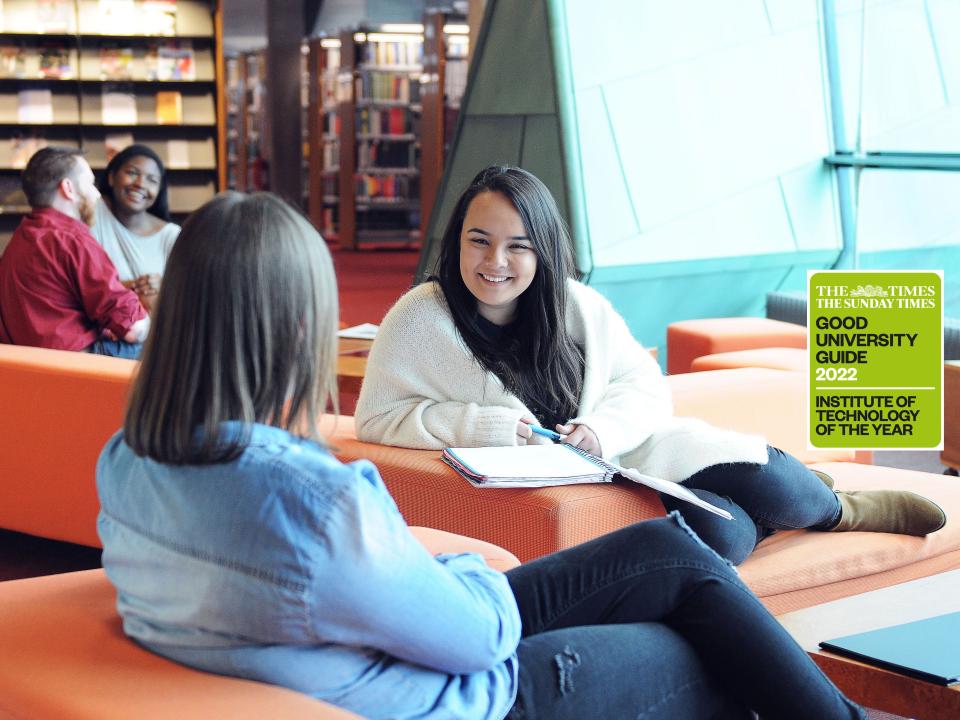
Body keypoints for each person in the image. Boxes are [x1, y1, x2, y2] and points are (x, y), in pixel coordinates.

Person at [96, 190, 866, 719]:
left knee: (672, 553)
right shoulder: (314, 501)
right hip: (462, 691)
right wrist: (462, 568)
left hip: (369, 640)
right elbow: (477, 637)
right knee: (703, 648)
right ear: (298, 333)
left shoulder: (129, 457)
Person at [355, 165, 946, 565]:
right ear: (456, 240)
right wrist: (480, 426)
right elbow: (378, 418)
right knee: (726, 535)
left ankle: (840, 510)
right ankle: (791, 509)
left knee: (757, 470)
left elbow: (642, 385)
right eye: (478, 241)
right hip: (575, 479)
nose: (495, 262)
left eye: (518, 246)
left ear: (544, 249)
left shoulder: (575, 304)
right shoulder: (422, 318)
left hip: (629, 453)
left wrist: (601, 429)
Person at [0, 146, 149, 358]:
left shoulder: (18, 240)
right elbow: (133, 328)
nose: (97, 193)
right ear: (68, 188)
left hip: (31, 372)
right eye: (90, 183)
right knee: (166, 344)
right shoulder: (72, 238)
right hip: (77, 365)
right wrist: (151, 323)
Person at [92, 144, 180, 312]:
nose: (140, 184)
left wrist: (164, 287)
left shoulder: (171, 235)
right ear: (111, 177)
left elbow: (186, 293)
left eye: (152, 180)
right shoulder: (93, 212)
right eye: (132, 173)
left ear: (159, 190)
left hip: (149, 333)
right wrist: (134, 286)